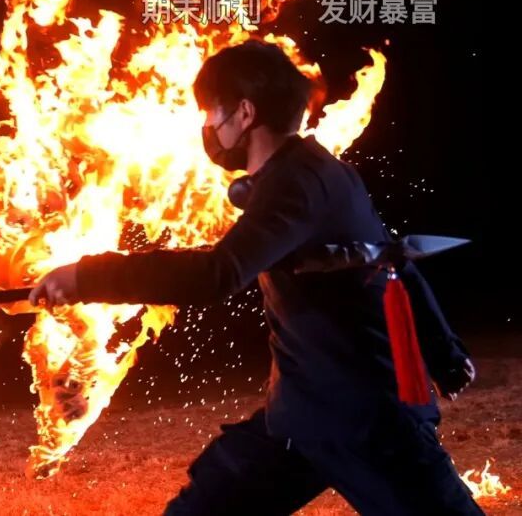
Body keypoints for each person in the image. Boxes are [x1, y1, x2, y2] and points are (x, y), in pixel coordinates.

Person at [29, 40, 481, 515]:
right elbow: (393, 258)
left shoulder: (297, 183)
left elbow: (218, 272)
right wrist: (444, 351)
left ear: (244, 113)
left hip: (364, 417)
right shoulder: (308, 173)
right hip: (301, 416)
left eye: (211, 112)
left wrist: (88, 277)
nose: (208, 127)